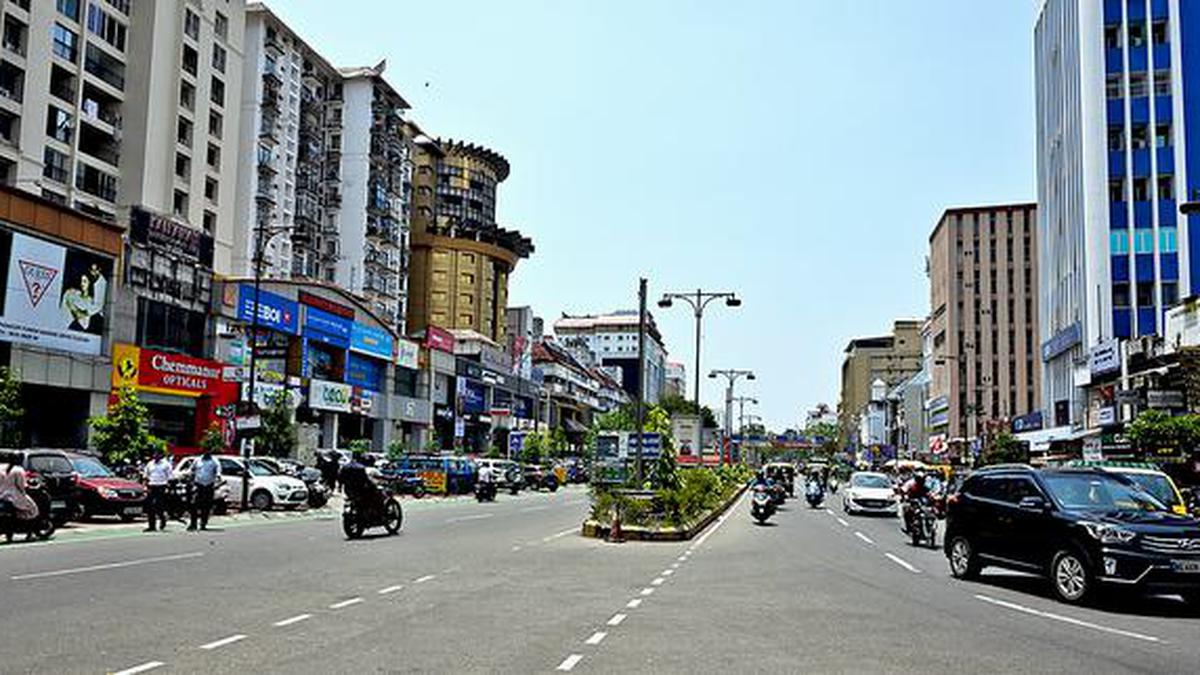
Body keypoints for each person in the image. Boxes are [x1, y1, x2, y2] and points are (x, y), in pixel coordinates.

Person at [0, 452, 38, 520]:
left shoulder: (1, 468)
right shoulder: (18, 470)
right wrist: (31, 488)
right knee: (34, 510)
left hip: (2, 495)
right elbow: (21, 486)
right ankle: (20, 521)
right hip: (15, 496)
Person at [143, 450, 173, 532]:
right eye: (154, 454)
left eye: (157, 454)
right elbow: (145, 476)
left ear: (161, 455)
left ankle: (162, 518)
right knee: (150, 506)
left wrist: (168, 487)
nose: (155, 455)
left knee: (158, 506)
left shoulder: (166, 464)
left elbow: (170, 477)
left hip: (161, 486)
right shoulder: (150, 464)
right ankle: (151, 526)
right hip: (152, 486)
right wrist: (145, 486)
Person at [188, 451, 219, 531]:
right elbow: (192, 470)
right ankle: (193, 524)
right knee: (193, 504)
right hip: (198, 485)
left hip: (209, 486)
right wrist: (190, 478)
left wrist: (218, 477)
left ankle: (203, 523)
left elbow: (218, 471)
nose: (206, 453)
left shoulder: (214, 461)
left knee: (206, 506)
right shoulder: (197, 460)